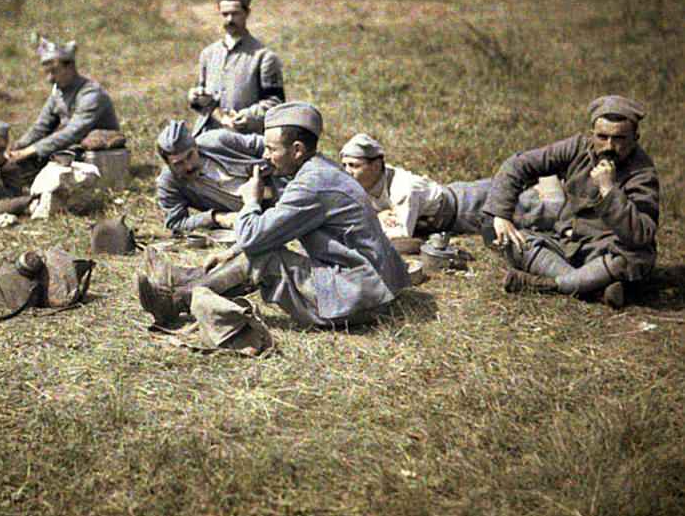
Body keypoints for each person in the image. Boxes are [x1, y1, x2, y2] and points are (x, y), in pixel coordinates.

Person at [138, 102, 411, 329]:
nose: (265, 157)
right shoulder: (320, 170)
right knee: (262, 249)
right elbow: (273, 230)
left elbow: (256, 239)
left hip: (361, 298)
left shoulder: (310, 186)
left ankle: (176, 301)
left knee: (265, 256)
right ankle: (184, 281)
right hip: (372, 286)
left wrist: (250, 200)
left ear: (297, 150)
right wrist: (231, 252)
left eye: (271, 149)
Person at [483, 95, 659, 309]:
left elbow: (640, 235)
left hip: (606, 252)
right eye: (602, 137)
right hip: (568, 244)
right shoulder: (577, 148)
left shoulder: (643, 173)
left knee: (639, 256)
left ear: (635, 138)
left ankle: (549, 285)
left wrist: (609, 190)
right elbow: (518, 164)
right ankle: (592, 288)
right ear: (591, 134)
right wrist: (501, 215)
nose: (609, 146)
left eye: (619, 138)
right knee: (500, 234)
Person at [339, 133, 563, 241]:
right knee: (505, 189)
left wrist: (374, 222)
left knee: (534, 211)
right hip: (452, 195)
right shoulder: (365, 181)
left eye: (354, 165)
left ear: (376, 164)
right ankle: (545, 181)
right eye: (345, 165)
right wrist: (380, 215)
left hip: (464, 209)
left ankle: (559, 183)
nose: (347, 171)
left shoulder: (403, 188)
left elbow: (403, 234)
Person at [5, 36, 120, 186]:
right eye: (46, 73)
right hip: (68, 147)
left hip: (93, 150)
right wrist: (18, 146)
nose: (49, 79)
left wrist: (30, 151)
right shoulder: (58, 91)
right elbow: (41, 126)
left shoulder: (91, 94)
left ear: (70, 67)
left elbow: (73, 132)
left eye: (53, 72)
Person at [188, 0, 285, 136]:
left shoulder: (264, 57)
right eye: (225, 14)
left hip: (245, 138)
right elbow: (202, 99)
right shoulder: (208, 54)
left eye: (235, 14)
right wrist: (196, 97)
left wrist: (247, 117)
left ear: (247, 13)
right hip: (207, 134)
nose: (230, 19)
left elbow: (275, 102)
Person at [155, 119, 279, 234]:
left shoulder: (217, 141)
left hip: (280, 190)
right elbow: (176, 222)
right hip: (253, 220)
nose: (188, 166)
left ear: (196, 147)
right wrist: (217, 217)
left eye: (190, 156)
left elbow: (268, 145)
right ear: (168, 164)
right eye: (178, 163)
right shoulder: (169, 183)